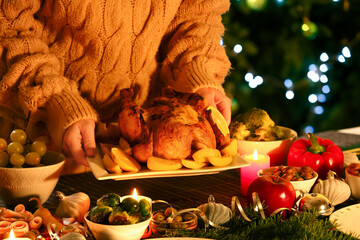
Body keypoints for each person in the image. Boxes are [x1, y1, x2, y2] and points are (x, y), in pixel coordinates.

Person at [0, 0, 232, 173]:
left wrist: (197, 71)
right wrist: (57, 100)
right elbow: (9, 27)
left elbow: (198, 16)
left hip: (147, 155)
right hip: (40, 145)